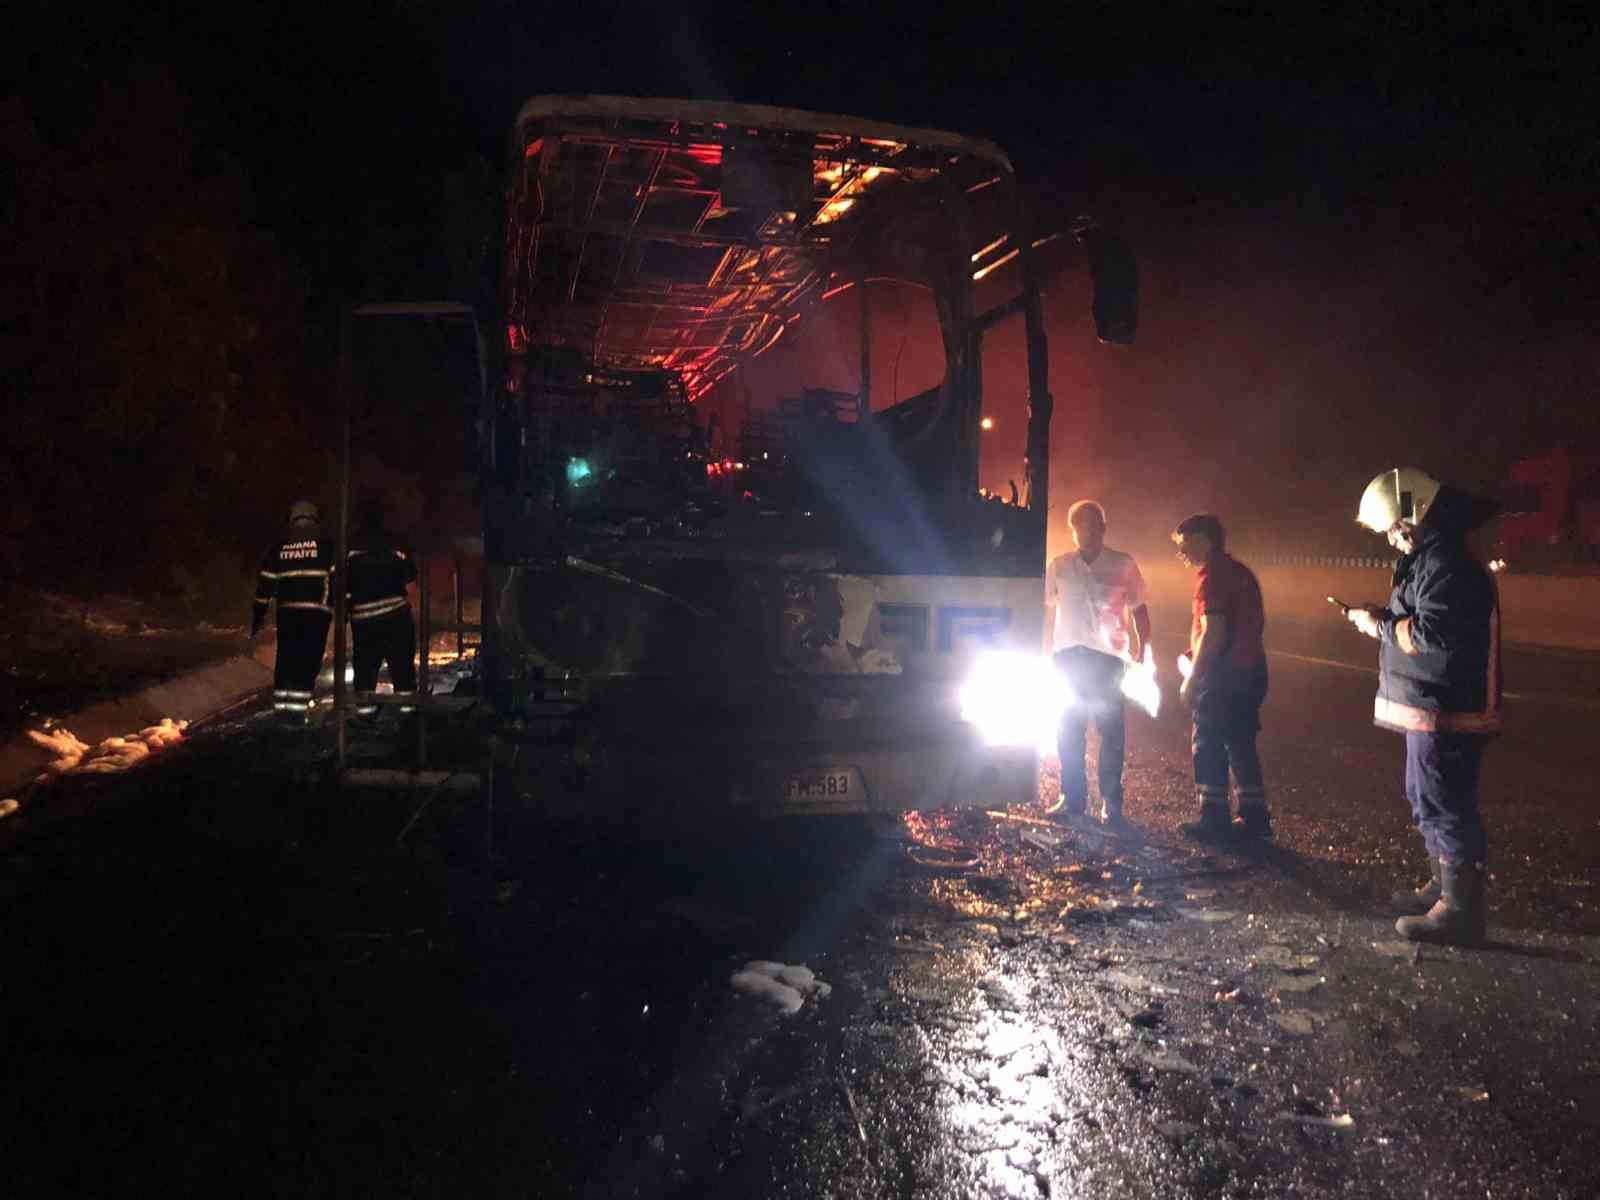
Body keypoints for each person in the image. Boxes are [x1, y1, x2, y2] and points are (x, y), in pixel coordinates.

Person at [1345, 468, 1501, 945]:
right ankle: (1442, 887)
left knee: (1444, 803)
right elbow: (1422, 618)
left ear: (1413, 515)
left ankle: (1460, 910)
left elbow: (1433, 635)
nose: (1392, 538)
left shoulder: (1446, 564)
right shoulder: (1430, 559)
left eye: (1392, 527)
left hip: (1446, 709)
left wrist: (1378, 627)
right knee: (1424, 797)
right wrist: (1384, 616)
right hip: (1429, 706)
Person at [1043, 500, 1151, 829]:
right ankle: (1072, 797)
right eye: (1079, 526)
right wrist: (1044, 645)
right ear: (1072, 530)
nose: (1085, 532)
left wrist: (1143, 646)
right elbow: (1046, 608)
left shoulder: (1123, 564)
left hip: (1107, 661)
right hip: (1069, 659)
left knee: (1110, 733)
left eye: (1092, 526)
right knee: (1069, 731)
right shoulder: (1059, 566)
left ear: (1103, 528)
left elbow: (1140, 608)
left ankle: (1111, 802)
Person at [1172, 513, 1271, 841]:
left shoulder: (1212, 577)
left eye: (1184, 545)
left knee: (1209, 743)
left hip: (1222, 679)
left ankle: (1214, 817)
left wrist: (1193, 676)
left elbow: (1213, 631)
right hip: (1250, 672)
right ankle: (1255, 817)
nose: (1181, 554)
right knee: (1241, 744)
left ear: (1203, 539)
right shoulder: (1241, 573)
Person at [252, 500, 335, 719]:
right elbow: (337, 580)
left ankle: (282, 711)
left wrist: (258, 616)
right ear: (314, 519)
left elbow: (265, 584)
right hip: (316, 614)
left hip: (288, 614)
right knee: (307, 661)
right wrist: (339, 609)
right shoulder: (326, 546)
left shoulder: (279, 547)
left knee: (287, 659)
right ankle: (297, 714)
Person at [345, 500, 419, 719]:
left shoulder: (349, 547)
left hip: (364, 619)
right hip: (396, 616)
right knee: (402, 667)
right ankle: (407, 716)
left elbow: (342, 584)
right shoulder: (397, 545)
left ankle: (365, 716)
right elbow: (411, 584)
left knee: (365, 669)